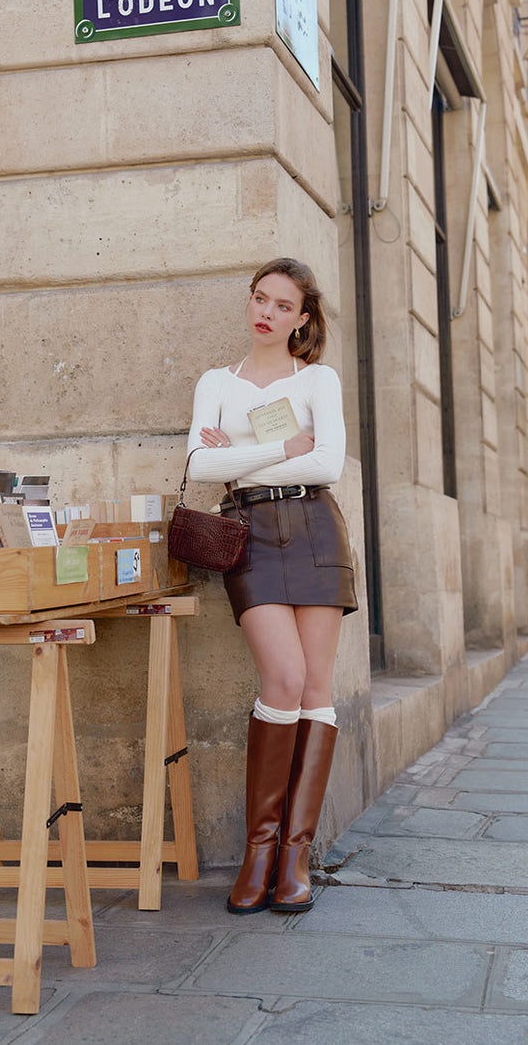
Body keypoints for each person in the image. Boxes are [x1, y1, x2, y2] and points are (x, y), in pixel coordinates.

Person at [185, 257, 357, 914]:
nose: (267, 313)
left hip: (314, 527)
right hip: (248, 532)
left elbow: (327, 464)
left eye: (283, 306)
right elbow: (200, 464)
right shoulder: (217, 381)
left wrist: (237, 446)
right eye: (261, 299)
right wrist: (280, 448)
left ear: (301, 319)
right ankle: (259, 848)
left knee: (315, 687)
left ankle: (293, 856)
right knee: (281, 678)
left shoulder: (318, 380)